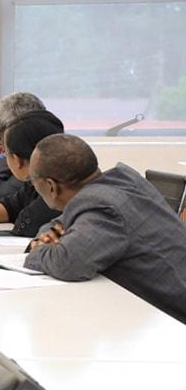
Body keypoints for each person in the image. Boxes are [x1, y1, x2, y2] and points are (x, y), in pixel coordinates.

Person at [24, 134, 186, 324]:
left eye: (33, 181)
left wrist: (37, 249)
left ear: (51, 186)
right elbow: (59, 224)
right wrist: (50, 236)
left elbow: (68, 264)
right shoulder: (122, 180)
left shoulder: (102, 207)